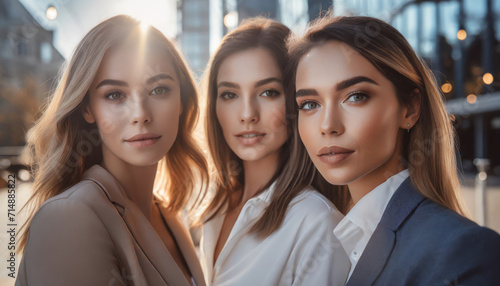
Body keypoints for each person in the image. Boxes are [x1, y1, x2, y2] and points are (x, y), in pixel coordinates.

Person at [285, 15, 500, 285]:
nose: (328, 126)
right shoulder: (334, 239)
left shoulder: (464, 253)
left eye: (356, 96)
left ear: (409, 108)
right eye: (309, 104)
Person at [16, 15, 208, 286]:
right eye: (115, 95)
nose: (140, 114)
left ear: (182, 100)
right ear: (87, 109)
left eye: (159, 89)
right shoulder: (69, 218)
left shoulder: (168, 214)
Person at [199, 18, 350, 286]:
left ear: (296, 100)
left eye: (268, 92)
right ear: (214, 106)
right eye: (230, 95)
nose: (247, 115)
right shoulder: (212, 206)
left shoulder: (317, 225)